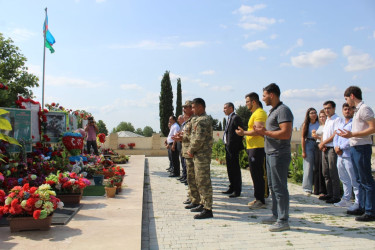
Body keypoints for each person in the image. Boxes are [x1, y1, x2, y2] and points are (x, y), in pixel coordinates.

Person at [253, 83, 293, 232]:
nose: (263, 99)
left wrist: (265, 132)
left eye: (264, 95)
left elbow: (286, 133)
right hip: (270, 153)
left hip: (279, 154)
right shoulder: (273, 111)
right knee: (273, 186)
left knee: (279, 187)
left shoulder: (283, 111)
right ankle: (276, 215)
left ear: (271, 94)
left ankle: (283, 220)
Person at [338, 86, 375, 222]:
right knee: (359, 179)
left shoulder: (365, 109)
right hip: (354, 146)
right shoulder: (357, 110)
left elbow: (373, 127)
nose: (347, 102)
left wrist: (352, 134)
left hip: (362, 147)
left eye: (347, 98)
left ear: (352, 96)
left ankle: (371, 211)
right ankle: (363, 206)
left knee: (366, 179)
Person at [236, 92, 268, 209]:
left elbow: (258, 131)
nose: (246, 104)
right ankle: (257, 198)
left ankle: (261, 200)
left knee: (258, 174)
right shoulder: (254, 113)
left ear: (254, 102)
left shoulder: (260, 113)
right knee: (254, 174)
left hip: (257, 148)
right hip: (252, 147)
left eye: (247, 102)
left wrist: (243, 132)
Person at [187, 98, 214, 219]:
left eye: (193, 107)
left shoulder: (203, 120)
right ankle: (203, 204)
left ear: (200, 107)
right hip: (199, 155)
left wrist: (191, 149)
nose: (192, 110)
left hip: (202, 155)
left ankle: (208, 209)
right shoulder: (199, 119)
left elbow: (199, 139)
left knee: (204, 181)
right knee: (199, 180)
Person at [333, 103, 359, 210]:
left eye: (349, 109)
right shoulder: (341, 123)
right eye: (345, 109)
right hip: (340, 155)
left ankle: (358, 201)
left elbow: (351, 138)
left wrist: (341, 147)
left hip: (348, 154)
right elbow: (336, 136)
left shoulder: (355, 123)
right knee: (343, 178)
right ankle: (346, 199)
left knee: (354, 179)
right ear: (342, 111)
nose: (347, 111)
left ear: (353, 110)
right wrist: (336, 147)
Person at [318, 101, 341, 204]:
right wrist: (322, 143)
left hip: (331, 148)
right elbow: (324, 133)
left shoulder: (337, 119)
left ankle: (336, 195)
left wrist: (324, 143)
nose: (327, 110)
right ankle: (329, 193)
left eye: (328, 108)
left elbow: (335, 135)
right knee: (326, 172)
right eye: (325, 108)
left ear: (334, 108)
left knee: (333, 172)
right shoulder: (327, 120)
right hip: (325, 148)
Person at [222, 102, 244, 198]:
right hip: (228, 147)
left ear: (231, 108)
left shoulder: (236, 118)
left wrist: (235, 145)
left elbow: (240, 132)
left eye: (225, 108)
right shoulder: (229, 118)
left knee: (235, 169)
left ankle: (237, 190)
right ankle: (231, 187)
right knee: (230, 169)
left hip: (233, 148)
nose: (224, 110)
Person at [301, 108, 319, 195]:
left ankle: (317, 187)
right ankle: (307, 187)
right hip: (309, 143)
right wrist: (303, 151)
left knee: (317, 167)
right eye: (312, 113)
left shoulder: (319, 123)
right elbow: (302, 138)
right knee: (308, 166)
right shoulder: (306, 124)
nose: (314, 114)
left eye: (315, 113)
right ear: (308, 115)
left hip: (318, 144)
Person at [311, 110, 327, 196]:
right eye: (320, 117)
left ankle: (323, 190)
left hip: (323, 145)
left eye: (323, 116)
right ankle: (316, 189)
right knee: (316, 168)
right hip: (317, 145)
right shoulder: (320, 126)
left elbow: (326, 138)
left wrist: (317, 136)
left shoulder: (327, 126)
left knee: (322, 168)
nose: (321, 118)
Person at [176, 115, 188, 184]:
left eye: (179, 119)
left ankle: (186, 177)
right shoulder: (182, 126)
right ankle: (184, 176)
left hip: (184, 146)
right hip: (181, 145)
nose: (178, 120)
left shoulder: (185, 125)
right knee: (183, 162)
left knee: (185, 163)